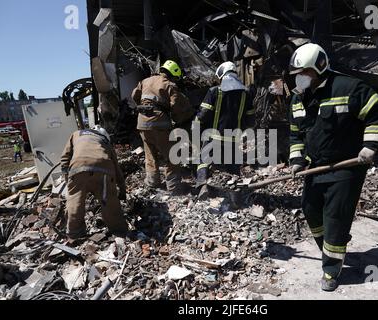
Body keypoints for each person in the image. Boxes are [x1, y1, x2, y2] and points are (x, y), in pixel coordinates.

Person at [288, 43, 378, 291]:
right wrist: (297, 159)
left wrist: (370, 145)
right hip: (316, 167)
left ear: (320, 69)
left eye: (306, 73)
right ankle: (334, 245)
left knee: (335, 217)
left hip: (347, 166)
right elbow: (295, 133)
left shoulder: (348, 87)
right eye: (297, 74)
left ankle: (331, 270)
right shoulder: (298, 98)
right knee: (310, 210)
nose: (300, 78)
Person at [131, 60, 195, 194]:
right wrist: (179, 119)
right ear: (173, 74)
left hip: (142, 123)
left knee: (150, 154)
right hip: (159, 124)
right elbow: (176, 106)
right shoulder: (169, 85)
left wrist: (145, 107)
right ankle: (173, 187)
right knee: (172, 156)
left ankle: (152, 182)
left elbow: (134, 96)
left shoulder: (145, 81)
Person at [194, 61, 255, 199]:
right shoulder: (246, 94)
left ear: (222, 74)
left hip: (213, 137)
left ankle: (203, 185)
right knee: (233, 168)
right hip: (233, 139)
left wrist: (196, 127)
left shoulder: (215, 91)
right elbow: (251, 119)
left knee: (203, 160)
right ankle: (235, 196)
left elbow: (203, 114)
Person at [61, 125, 128, 240]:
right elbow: (116, 168)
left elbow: (65, 158)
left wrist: (68, 180)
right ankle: (119, 231)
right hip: (104, 168)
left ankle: (75, 234)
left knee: (75, 202)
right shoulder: (104, 141)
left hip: (78, 168)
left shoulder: (76, 134)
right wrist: (122, 190)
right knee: (109, 201)